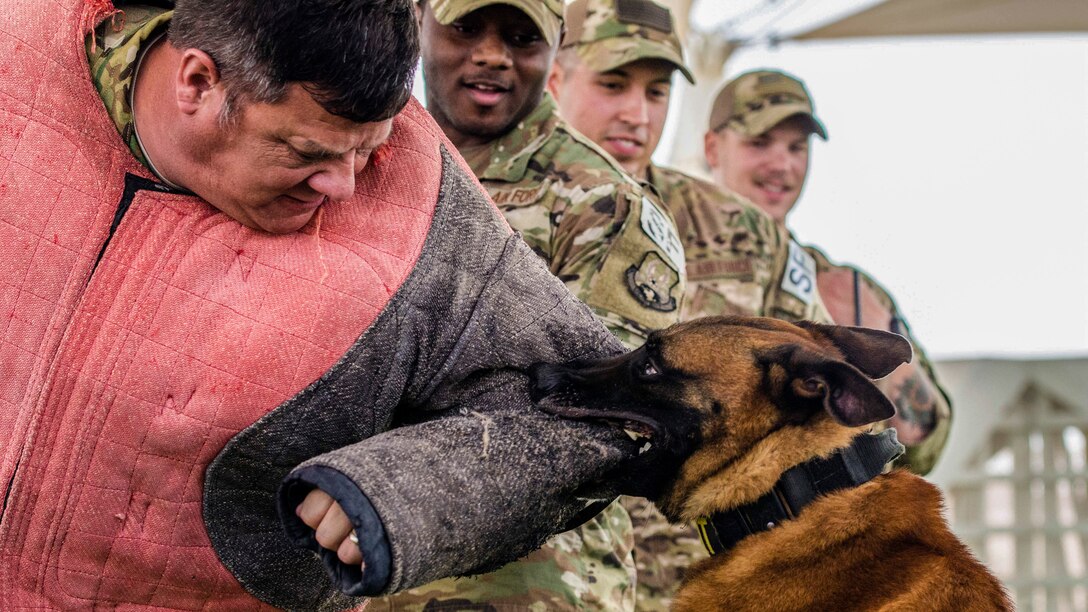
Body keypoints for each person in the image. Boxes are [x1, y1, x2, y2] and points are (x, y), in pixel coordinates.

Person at [0, 0, 648, 607]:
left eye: (368, 152)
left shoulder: (426, 208)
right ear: (198, 82)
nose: (343, 187)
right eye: (307, 153)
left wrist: (403, 488)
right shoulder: (20, 56)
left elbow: (601, 413)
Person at [373, 0, 687, 609]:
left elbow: (604, 419)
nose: (492, 55)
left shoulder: (605, 206)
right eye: (466, 28)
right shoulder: (356, 160)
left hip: (529, 587)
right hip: (361, 572)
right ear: (418, 21)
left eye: (520, 36)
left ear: (556, 45)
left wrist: (377, 484)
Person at [546, 2, 834, 609]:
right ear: (555, 79)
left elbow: (824, 408)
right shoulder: (499, 211)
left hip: (709, 584)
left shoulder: (745, 233)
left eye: (657, 91)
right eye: (613, 84)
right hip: (551, 581)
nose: (637, 113)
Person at [703, 69, 952, 473]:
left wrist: (875, 332)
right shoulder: (665, 261)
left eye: (797, 147)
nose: (782, 164)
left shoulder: (842, 287)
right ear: (713, 149)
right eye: (759, 143)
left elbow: (923, 447)